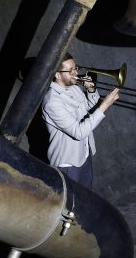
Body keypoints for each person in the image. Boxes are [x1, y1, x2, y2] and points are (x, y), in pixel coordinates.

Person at [42, 52, 120, 190]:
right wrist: (105, 105)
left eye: (75, 68)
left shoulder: (74, 88)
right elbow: (78, 132)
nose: (76, 73)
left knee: (86, 196)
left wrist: (91, 90)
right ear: (57, 75)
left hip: (84, 154)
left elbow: (89, 108)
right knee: (71, 202)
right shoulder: (52, 102)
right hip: (68, 164)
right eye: (70, 70)